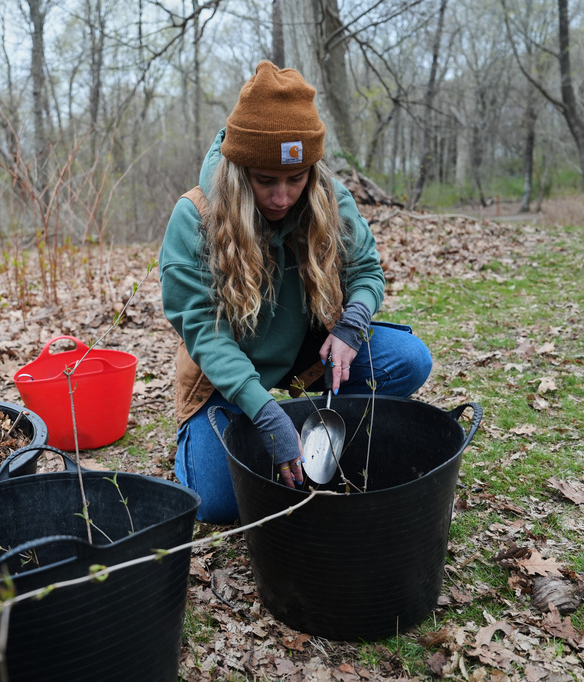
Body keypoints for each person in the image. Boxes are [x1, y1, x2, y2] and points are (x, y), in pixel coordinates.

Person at [159, 61, 432, 524]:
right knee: (220, 503)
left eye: (296, 178)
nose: (283, 196)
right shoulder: (195, 218)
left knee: (408, 360)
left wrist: (351, 326)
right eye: (265, 180)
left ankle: (305, 420)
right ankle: (248, 423)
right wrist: (264, 414)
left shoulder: (327, 196)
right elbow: (205, 333)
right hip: (226, 378)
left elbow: (367, 270)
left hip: (308, 360)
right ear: (239, 168)